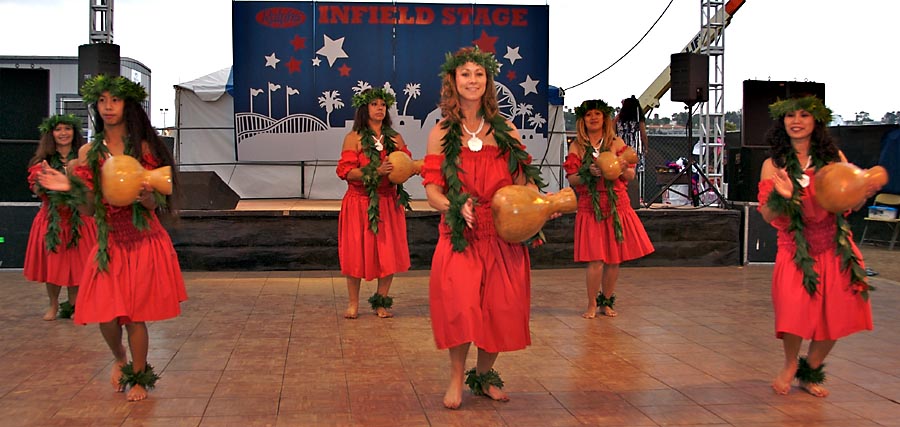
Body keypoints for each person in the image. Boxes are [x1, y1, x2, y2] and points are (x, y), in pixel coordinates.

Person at [37, 75, 187, 402]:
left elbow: (157, 202)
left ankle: (139, 375)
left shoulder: (144, 149)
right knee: (106, 314)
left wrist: (145, 196)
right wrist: (73, 188)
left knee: (134, 314)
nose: (107, 106)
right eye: (102, 100)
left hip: (143, 240)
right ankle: (120, 357)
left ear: (127, 105)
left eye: (114, 100)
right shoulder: (89, 153)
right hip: (108, 244)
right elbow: (90, 210)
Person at [423, 47, 551, 410]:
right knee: (461, 306)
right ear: (453, 80)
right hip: (461, 233)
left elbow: (525, 180)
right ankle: (455, 379)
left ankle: (483, 377)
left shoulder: (505, 130)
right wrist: (453, 205)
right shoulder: (441, 132)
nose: (473, 80)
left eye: (479, 74)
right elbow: (432, 190)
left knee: (499, 309)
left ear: (488, 82)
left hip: (501, 234)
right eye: (465, 74)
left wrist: (533, 207)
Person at [758, 95, 875, 398]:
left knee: (836, 314)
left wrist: (864, 191)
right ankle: (789, 364)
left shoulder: (834, 158)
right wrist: (781, 195)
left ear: (816, 122)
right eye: (790, 116)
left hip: (834, 246)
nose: (796, 121)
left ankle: (810, 369)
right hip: (795, 249)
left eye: (804, 116)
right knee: (793, 311)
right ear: (781, 122)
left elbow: (850, 203)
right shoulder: (773, 165)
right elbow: (768, 215)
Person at [564, 99, 655, 319]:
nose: (593, 118)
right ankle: (591, 304)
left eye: (597, 114)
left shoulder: (616, 143)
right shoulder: (576, 146)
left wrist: (621, 167)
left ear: (605, 118)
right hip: (590, 206)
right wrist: (589, 173)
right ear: (582, 120)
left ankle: (607, 301)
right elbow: (573, 179)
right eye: (588, 115)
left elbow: (631, 175)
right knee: (595, 258)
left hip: (616, 204)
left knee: (613, 259)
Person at [336, 87, 411, 319]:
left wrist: (411, 169)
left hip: (388, 202)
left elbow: (405, 164)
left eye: (382, 104)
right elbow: (346, 172)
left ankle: (381, 303)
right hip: (359, 203)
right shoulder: (354, 138)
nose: (379, 108)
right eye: (374, 104)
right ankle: (353, 303)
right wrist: (375, 171)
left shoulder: (395, 138)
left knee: (387, 254)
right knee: (355, 253)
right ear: (364, 108)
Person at [23, 114, 97, 320]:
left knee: (78, 265)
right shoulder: (42, 162)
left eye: (67, 129)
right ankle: (53, 305)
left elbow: (90, 187)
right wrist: (44, 180)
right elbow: (38, 190)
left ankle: (74, 305)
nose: (63, 133)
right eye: (58, 129)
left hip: (80, 218)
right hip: (52, 219)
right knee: (53, 265)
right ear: (51, 134)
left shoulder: (83, 159)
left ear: (74, 132)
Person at [614, 95, 649, 208]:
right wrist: (646, 147)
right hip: (634, 149)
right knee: (634, 174)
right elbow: (643, 135)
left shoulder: (619, 118)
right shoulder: (638, 119)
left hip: (620, 148)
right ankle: (635, 198)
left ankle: (621, 197)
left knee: (621, 173)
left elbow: (611, 130)